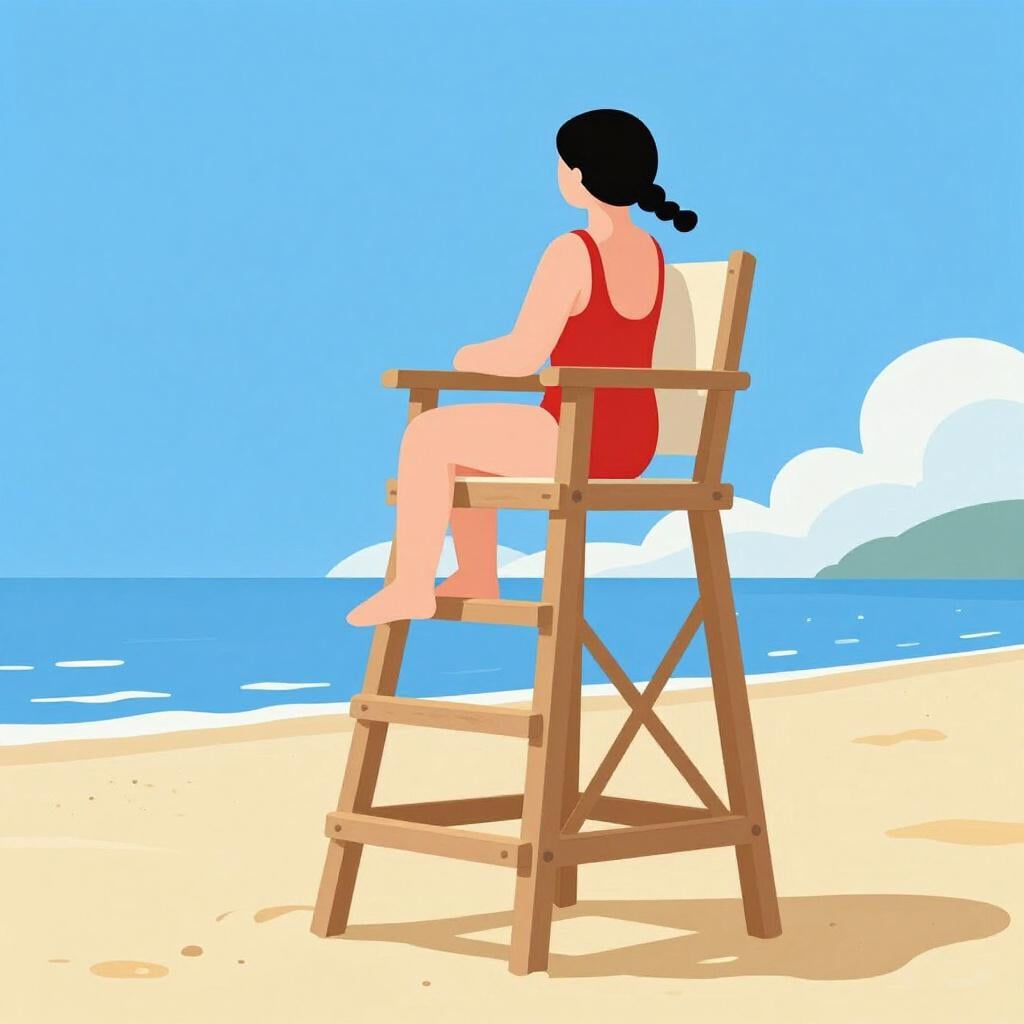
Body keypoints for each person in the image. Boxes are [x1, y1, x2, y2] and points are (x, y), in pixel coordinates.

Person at [346, 109, 697, 627]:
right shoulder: (652, 250)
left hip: (579, 434)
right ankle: (476, 573)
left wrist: (465, 356)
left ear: (577, 175)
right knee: (463, 447)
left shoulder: (573, 251)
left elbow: (520, 358)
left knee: (428, 434)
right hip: (634, 438)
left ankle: (413, 585)